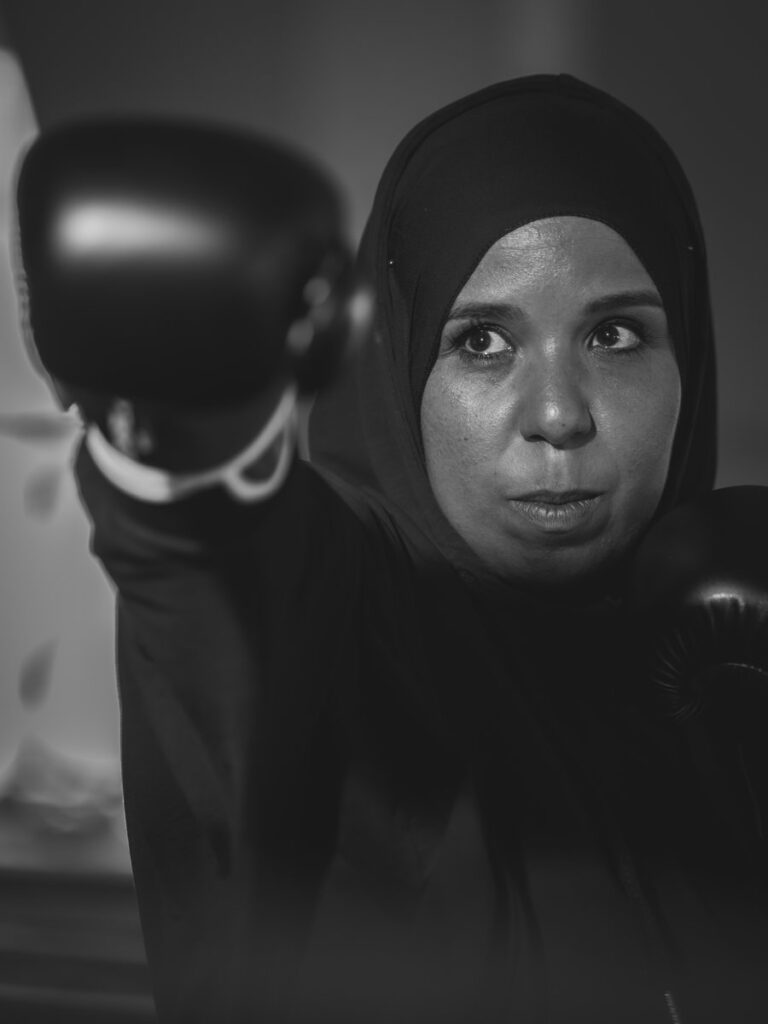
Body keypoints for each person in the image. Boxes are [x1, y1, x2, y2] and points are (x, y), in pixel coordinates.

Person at [15, 76, 768, 1023]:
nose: (558, 414)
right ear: (400, 354)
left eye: (615, 334)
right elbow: (218, 581)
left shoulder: (725, 648)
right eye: (482, 340)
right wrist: (173, 429)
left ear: (686, 352)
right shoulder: (344, 607)